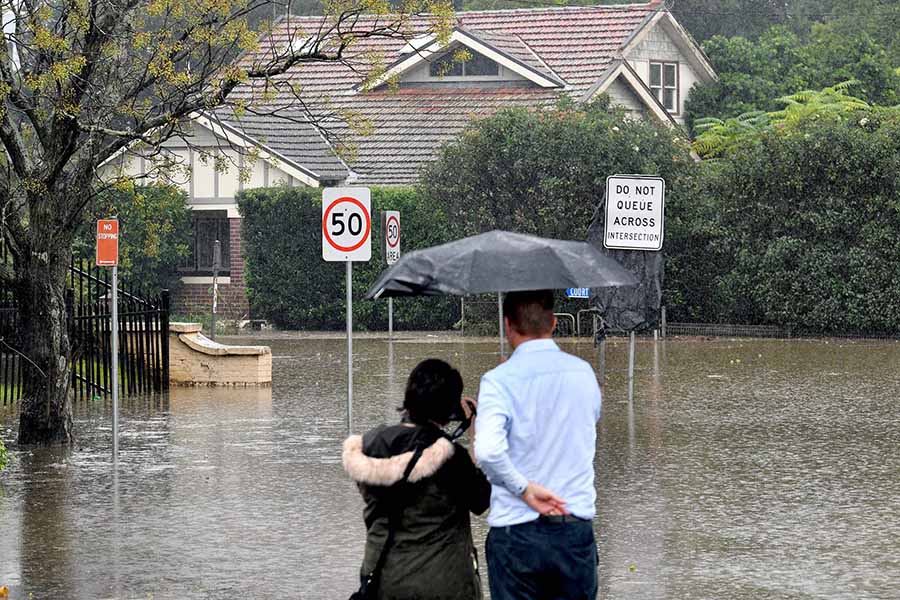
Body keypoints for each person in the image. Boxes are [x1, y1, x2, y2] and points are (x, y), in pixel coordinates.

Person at [474, 289, 602, 600]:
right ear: (555, 322)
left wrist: (525, 489)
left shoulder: (498, 381)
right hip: (573, 530)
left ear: (507, 325)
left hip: (516, 536)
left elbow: (488, 451)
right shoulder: (584, 374)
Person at [343, 358, 491, 600]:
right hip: (443, 584)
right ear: (448, 407)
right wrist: (473, 433)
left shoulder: (370, 445)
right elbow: (481, 500)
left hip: (382, 581)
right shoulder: (452, 458)